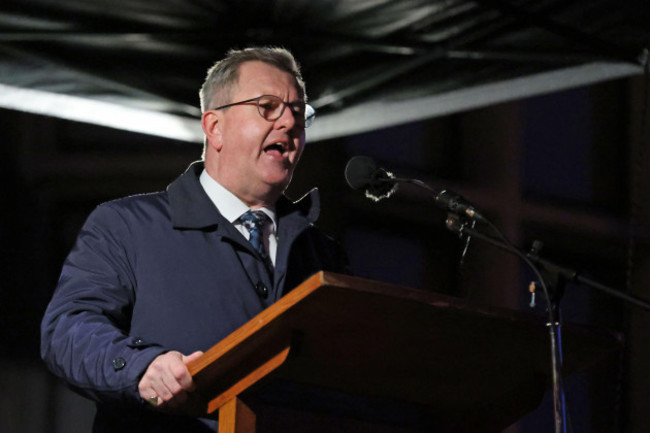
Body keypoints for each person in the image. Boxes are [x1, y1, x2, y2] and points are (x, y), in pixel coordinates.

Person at [40, 47, 349, 432]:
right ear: (214, 127)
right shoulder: (127, 226)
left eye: (298, 111)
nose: (289, 121)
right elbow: (68, 329)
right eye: (268, 106)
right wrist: (142, 368)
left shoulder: (323, 255)